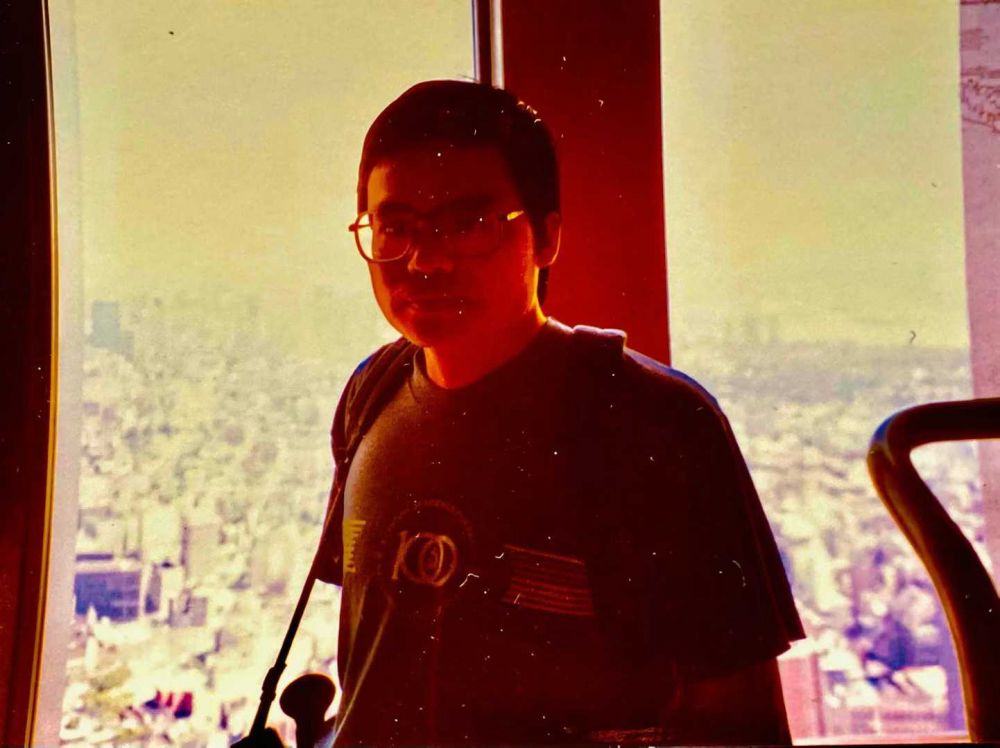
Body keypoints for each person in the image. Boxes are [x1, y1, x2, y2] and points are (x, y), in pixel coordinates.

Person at [316, 79, 804, 746]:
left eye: (469, 224)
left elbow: (739, 723)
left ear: (547, 238)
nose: (425, 260)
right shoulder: (370, 391)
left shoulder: (655, 420)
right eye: (396, 228)